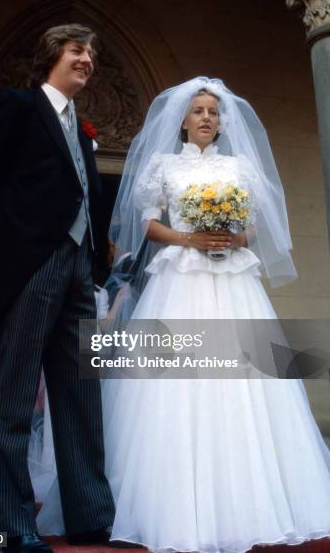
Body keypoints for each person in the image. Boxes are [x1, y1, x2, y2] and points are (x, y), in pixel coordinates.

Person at [30, 78, 330, 552]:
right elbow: (145, 221)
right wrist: (190, 239)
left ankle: (252, 502)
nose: (207, 117)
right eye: (198, 110)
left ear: (222, 120)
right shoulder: (163, 165)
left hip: (233, 282)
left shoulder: (239, 167)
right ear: (183, 120)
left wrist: (233, 239)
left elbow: (255, 226)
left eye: (213, 111)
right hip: (179, 281)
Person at [0, 24, 115, 553]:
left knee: (80, 395)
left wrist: (92, 265)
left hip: (79, 271)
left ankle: (90, 517)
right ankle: (14, 523)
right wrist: (15, 247)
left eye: (92, 52)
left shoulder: (83, 130)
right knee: (15, 397)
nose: (88, 59)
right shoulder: (18, 107)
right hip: (31, 265)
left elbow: (88, 196)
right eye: (78, 50)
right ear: (52, 54)